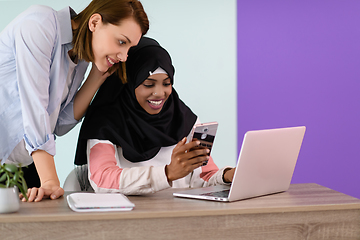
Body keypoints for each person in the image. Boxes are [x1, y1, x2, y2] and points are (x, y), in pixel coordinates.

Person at [0, 0, 149, 202]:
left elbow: (58, 126)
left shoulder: (81, 58)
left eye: (129, 48)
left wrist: (96, 76)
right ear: (94, 23)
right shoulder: (39, 24)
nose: (124, 56)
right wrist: (51, 180)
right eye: (121, 42)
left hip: (21, 164)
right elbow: (36, 111)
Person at [74, 37, 235, 194]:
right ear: (129, 82)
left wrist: (228, 175)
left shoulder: (185, 118)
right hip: (129, 217)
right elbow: (102, 179)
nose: (159, 93)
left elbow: (204, 176)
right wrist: (167, 174)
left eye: (167, 83)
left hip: (180, 214)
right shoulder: (104, 123)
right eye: (148, 84)